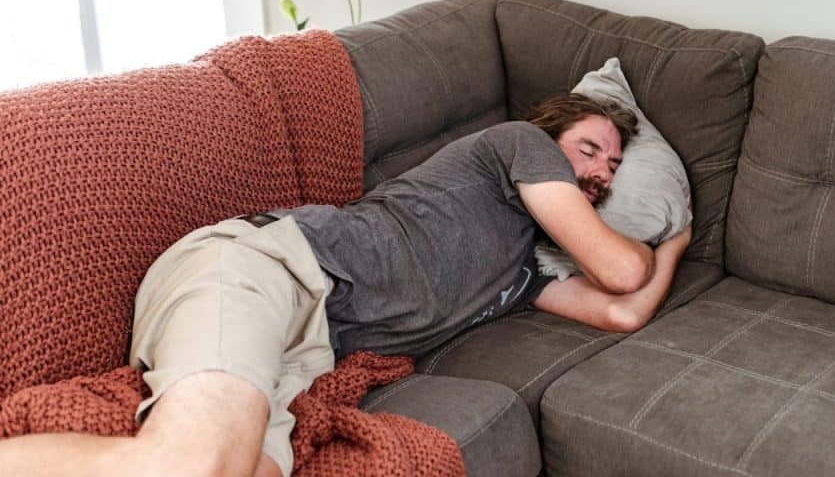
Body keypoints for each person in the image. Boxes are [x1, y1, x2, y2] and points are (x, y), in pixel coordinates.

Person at [0, 93, 692, 477]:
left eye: (614, 166)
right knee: (191, 466)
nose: (601, 173)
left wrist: (679, 239)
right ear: (549, 141)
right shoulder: (512, 146)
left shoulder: (518, 276)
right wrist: (651, 249)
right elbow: (622, 268)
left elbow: (623, 310)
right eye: (589, 149)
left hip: (305, 357)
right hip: (266, 268)